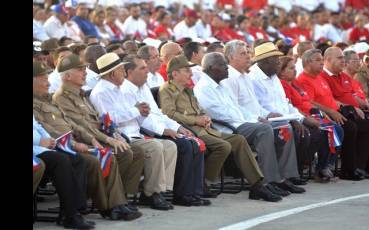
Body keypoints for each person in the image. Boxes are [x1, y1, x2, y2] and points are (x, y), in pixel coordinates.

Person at [160, 54, 284, 201]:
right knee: (224, 146)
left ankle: (257, 184)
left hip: (206, 129)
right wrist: (196, 120)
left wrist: (204, 117)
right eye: (187, 70)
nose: (191, 74)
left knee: (238, 140)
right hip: (190, 131)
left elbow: (200, 109)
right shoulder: (166, 89)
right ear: (175, 73)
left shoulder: (188, 90)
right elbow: (170, 114)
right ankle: (203, 181)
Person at [33, 61, 142, 220]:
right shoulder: (58, 97)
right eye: (80, 70)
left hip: (78, 142)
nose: (48, 82)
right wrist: (79, 143)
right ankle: (109, 206)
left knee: (125, 151)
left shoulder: (53, 99)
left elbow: (75, 125)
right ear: (68, 76)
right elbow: (48, 130)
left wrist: (104, 137)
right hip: (63, 146)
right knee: (102, 157)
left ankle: (118, 201)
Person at [193, 52, 305, 194]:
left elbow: (238, 107)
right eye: (222, 65)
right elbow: (219, 114)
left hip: (241, 122)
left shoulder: (220, 85)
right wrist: (252, 120)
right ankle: (267, 180)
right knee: (264, 130)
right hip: (228, 127)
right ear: (210, 67)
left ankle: (282, 177)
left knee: (282, 128)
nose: (226, 67)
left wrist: (256, 118)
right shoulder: (204, 88)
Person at [89, 52, 177, 210]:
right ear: (112, 73)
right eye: (121, 70)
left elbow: (136, 116)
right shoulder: (101, 92)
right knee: (155, 147)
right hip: (122, 136)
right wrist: (136, 111)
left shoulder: (120, 89)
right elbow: (109, 120)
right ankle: (152, 193)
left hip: (136, 134)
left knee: (170, 146)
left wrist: (143, 112)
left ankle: (160, 190)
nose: (124, 72)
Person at [121, 54, 210, 206]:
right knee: (184, 145)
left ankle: (193, 191)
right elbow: (142, 120)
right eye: (142, 68)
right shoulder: (125, 90)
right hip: (146, 132)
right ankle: (181, 194)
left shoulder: (143, 88)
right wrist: (164, 130)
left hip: (156, 128)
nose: (147, 71)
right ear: (129, 72)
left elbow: (157, 113)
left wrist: (178, 127)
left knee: (193, 143)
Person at [249, 42, 333, 182]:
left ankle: (295, 172)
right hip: (268, 121)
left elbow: (285, 104)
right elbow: (258, 108)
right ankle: (286, 176)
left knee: (314, 131)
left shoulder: (273, 77)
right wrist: (291, 120)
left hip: (285, 118)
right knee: (292, 132)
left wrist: (300, 118)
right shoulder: (254, 78)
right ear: (265, 61)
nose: (278, 62)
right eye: (275, 59)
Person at [295, 48, 369, 180]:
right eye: (318, 60)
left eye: (321, 59)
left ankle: (362, 167)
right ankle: (346, 170)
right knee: (350, 128)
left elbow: (332, 99)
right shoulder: (305, 79)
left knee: (368, 126)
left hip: (337, 112)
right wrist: (332, 111)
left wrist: (345, 106)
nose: (321, 62)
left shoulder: (319, 78)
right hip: (324, 116)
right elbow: (310, 102)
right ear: (308, 62)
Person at [277, 56, 342, 182]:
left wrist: (321, 112)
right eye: (291, 68)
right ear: (282, 72)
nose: (295, 70)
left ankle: (325, 165)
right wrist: (307, 117)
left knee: (337, 129)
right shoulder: (283, 85)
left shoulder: (295, 83)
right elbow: (292, 106)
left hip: (312, 115)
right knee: (324, 131)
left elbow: (307, 101)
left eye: (295, 67)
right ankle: (310, 167)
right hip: (301, 117)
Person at [34, 116, 93, 229]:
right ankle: (70, 215)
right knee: (61, 160)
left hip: (43, 148)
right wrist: (39, 141)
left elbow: (38, 127)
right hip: (35, 150)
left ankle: (70, 212)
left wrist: (50, 139)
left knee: (78, 160)